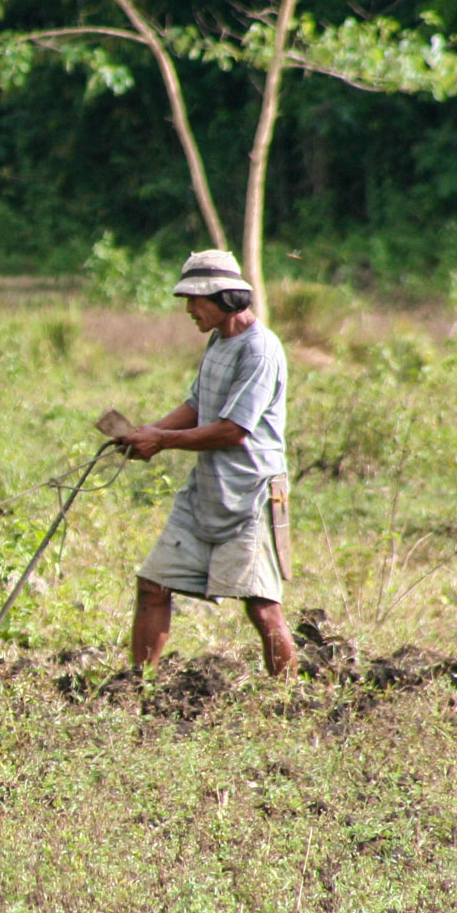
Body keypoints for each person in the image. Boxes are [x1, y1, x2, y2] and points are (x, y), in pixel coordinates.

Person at [124, 250, 296, 675]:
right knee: (152, 585)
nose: (188, 310)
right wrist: (148, 431)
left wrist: (161, 441)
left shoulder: (260, 351)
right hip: (206, 489)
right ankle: (138, 688)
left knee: (261, 609)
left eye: (194, 300)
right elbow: (199, 404)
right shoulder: (219, 339)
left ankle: (291, 699)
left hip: (251, 494)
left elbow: (233, 430)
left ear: (223, 298)